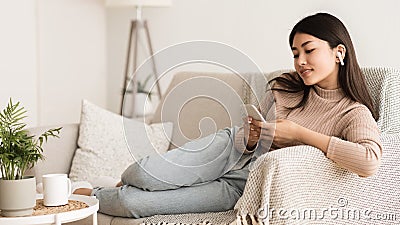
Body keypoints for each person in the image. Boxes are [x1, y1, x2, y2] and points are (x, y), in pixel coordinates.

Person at [74, 12, 382, 218]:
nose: (300, 60)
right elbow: (252, 135)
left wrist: (300, 135)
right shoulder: (284, 87)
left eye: (308, 50)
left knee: (132, 203)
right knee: (140, 175)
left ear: (339, 52)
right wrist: (250, 138)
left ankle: (92, 193)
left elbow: (369, 162)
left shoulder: (352, 113)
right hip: (226, 149)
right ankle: (110, 184)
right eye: (295, 53)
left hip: (243, 185)